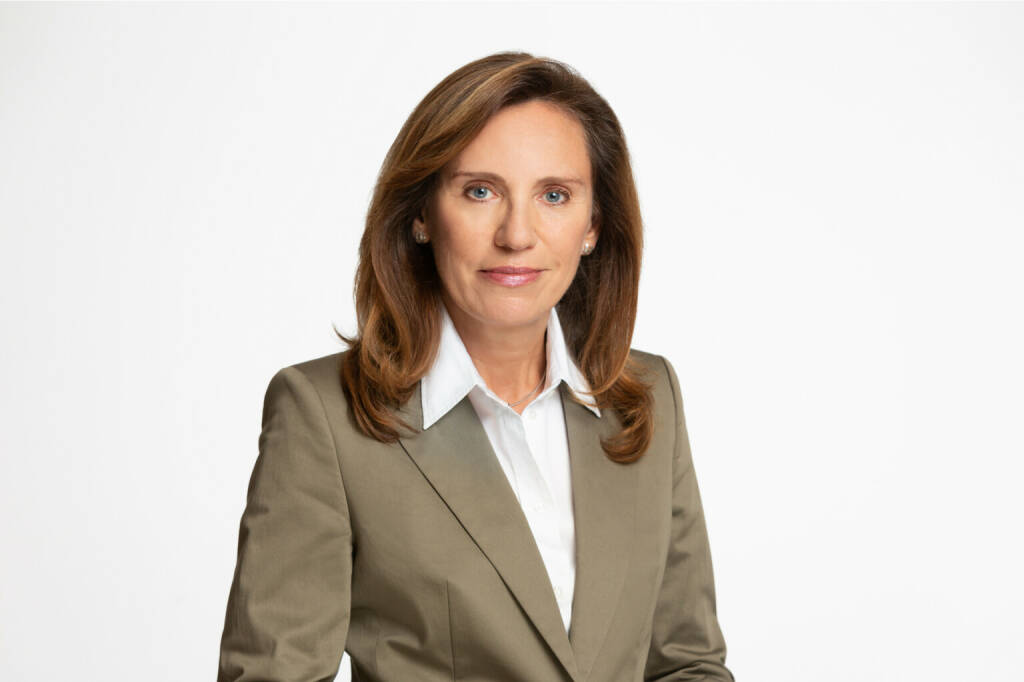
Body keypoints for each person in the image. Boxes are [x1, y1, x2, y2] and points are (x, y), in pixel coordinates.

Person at [217, 51, 734, 682]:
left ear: (593, 225)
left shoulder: (647, 397)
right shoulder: (323, 415)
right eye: (480, 191)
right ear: (421, 214)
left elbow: (687, 664)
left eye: (554, 195)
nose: (517, 234)